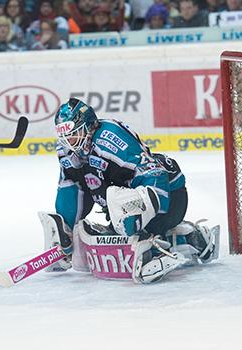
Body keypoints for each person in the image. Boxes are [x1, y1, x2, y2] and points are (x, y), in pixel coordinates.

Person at [39, 98, 219, 284]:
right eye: (65, 136)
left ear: (88, 126)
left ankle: (176, 241)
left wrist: (141, 221)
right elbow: (72, 187)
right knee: (117, 235)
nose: (69, 142)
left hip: (168, 195)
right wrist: (66, 230)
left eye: (74, 134)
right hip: (126, 203)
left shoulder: (110, 138)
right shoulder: (69, 151)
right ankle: (178, 238)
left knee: (129, 231)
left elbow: (153, 174)